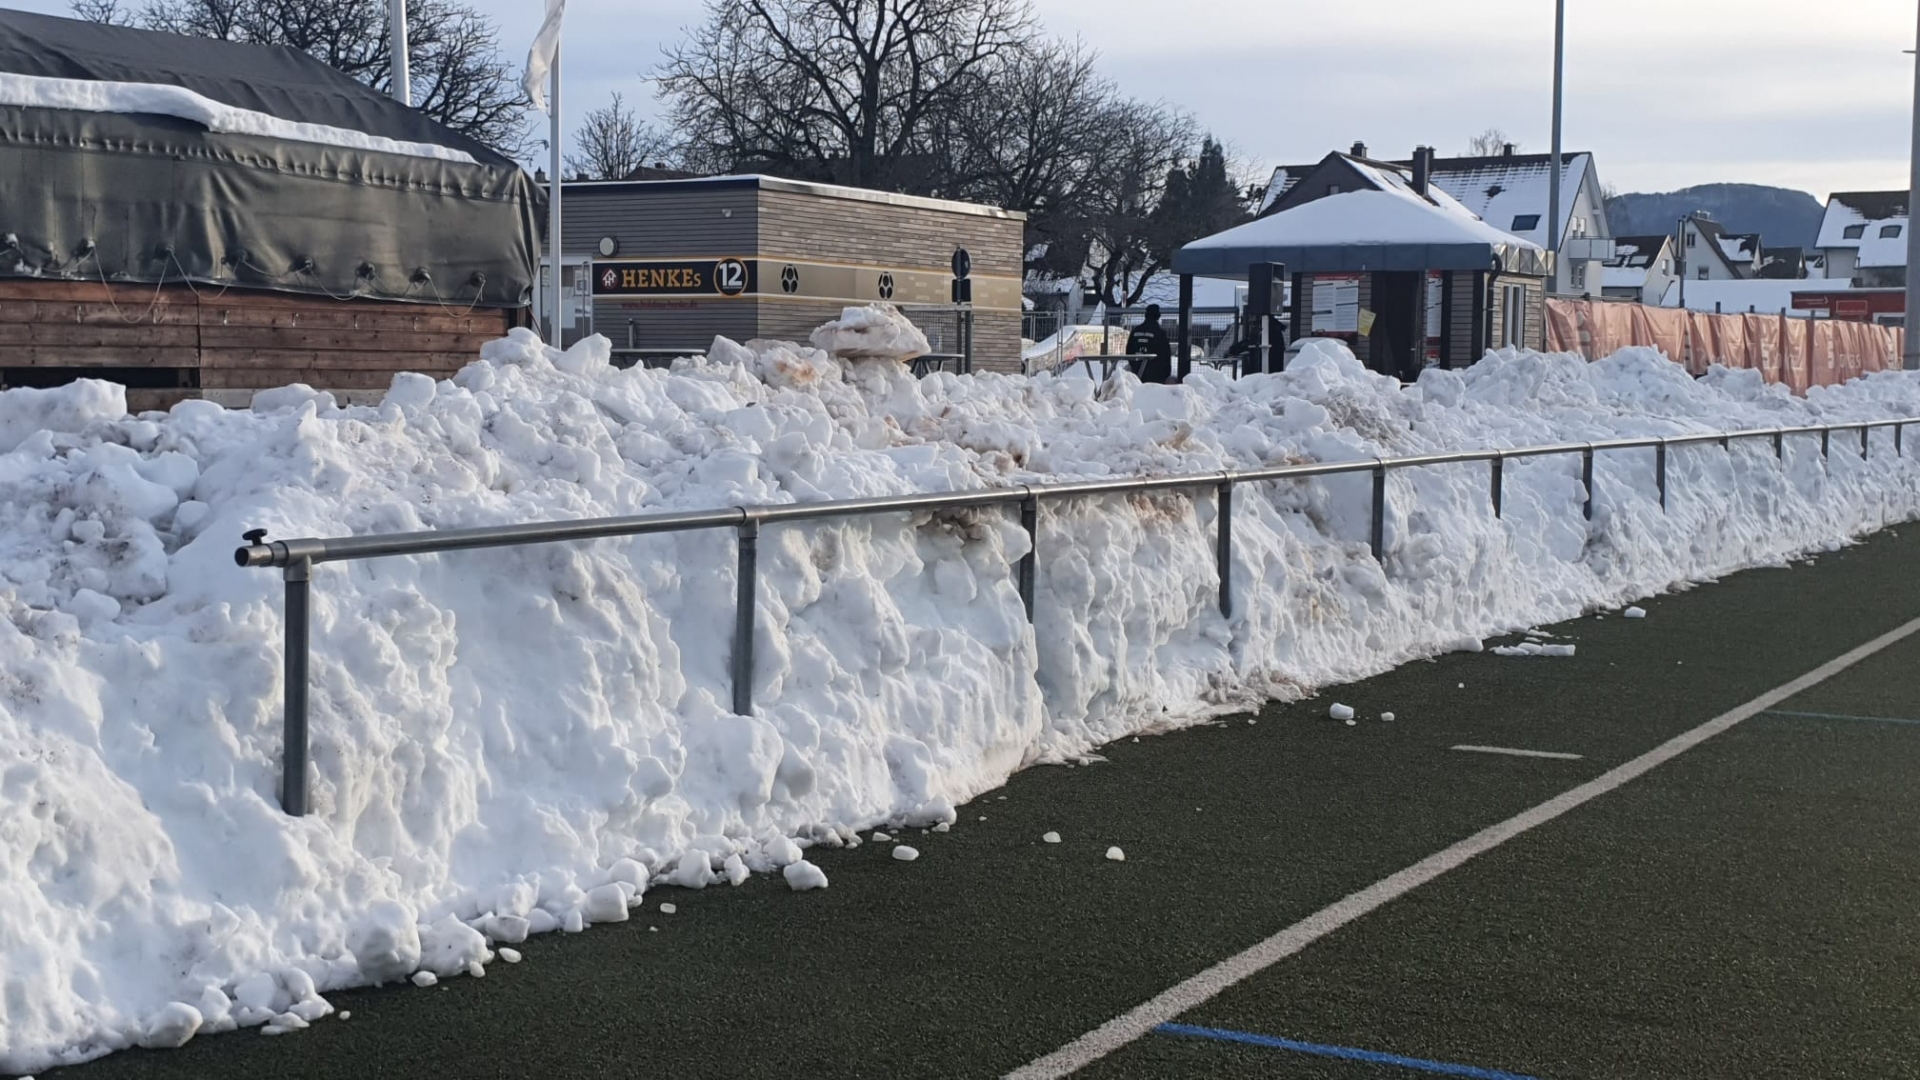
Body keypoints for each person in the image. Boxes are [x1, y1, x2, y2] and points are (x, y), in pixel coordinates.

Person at [1124, 304, 1174, 383]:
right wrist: (1166, 374)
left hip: (1136, 373)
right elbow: (1165, 355)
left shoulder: (1135, 331)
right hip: (1155, 375)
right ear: (1158, 316)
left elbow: (1129, 351)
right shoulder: (1160, 333)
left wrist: (1134, 366)